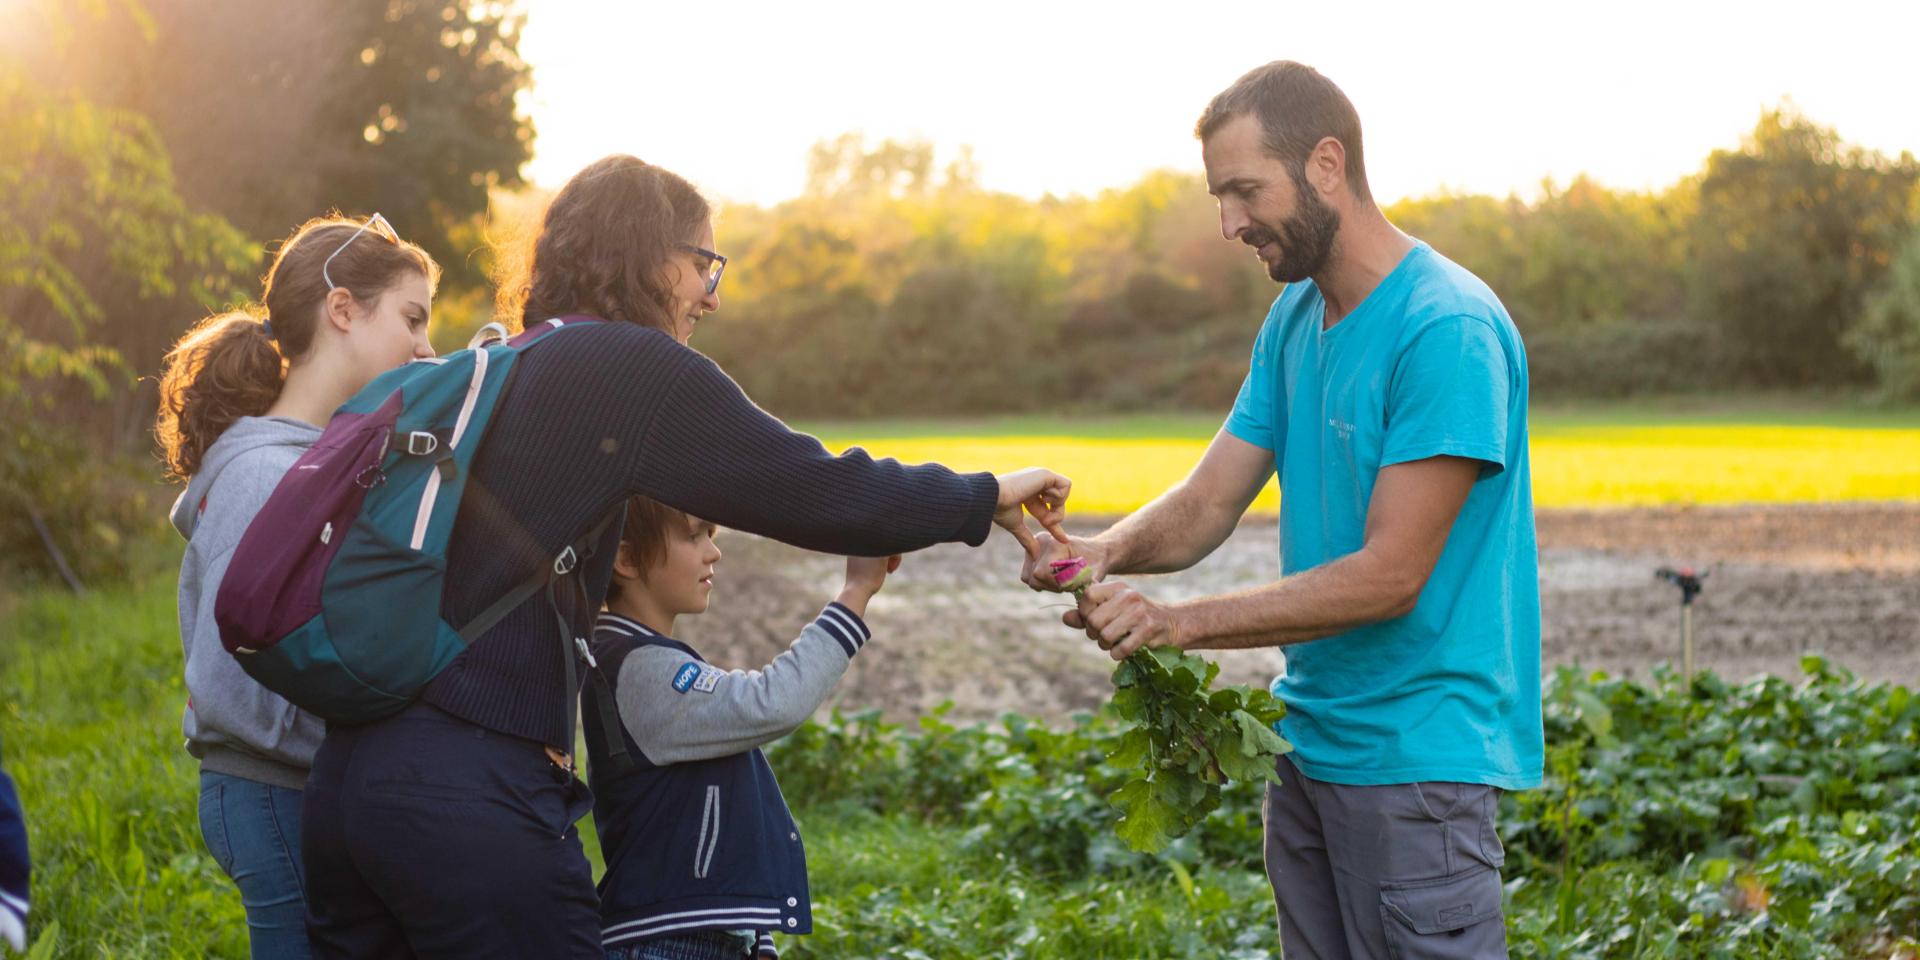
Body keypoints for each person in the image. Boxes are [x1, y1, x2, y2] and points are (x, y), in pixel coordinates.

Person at [299, 155, 1072, 959]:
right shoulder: (630, 368)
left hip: (349, 788)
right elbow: (809, 487)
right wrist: (983, 497)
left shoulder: (504, 363)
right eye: (704, 263)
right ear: (647, 255)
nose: (711, 292)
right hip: (471, 801)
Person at [1027, 61, 1540, 958]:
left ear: (1328, 165)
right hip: (1308, 751)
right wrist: (1101, 555)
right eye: (1220, 197)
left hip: (1415, 767)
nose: (1228, 223)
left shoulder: (1445, 328)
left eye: (1244, 191)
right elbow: (1207, 500)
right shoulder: (1299, 319)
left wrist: (1176, 626)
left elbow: (1391, 576)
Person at [155, 213, 439, 960]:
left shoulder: (308, 464)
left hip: (299, 787)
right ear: (343, 309)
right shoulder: (265, 476)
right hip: (269, 786)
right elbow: (246, 677)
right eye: (412, 319)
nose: (426, 347)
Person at [582, 497, 894, 959]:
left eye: (712, 534)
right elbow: (770, 703)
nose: (714, 551)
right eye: (695, 535)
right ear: (625, 558)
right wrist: (856, 591)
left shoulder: (641, 658)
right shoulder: (637, 669)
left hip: (695, 934)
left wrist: (753, 936)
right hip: (669, 941)